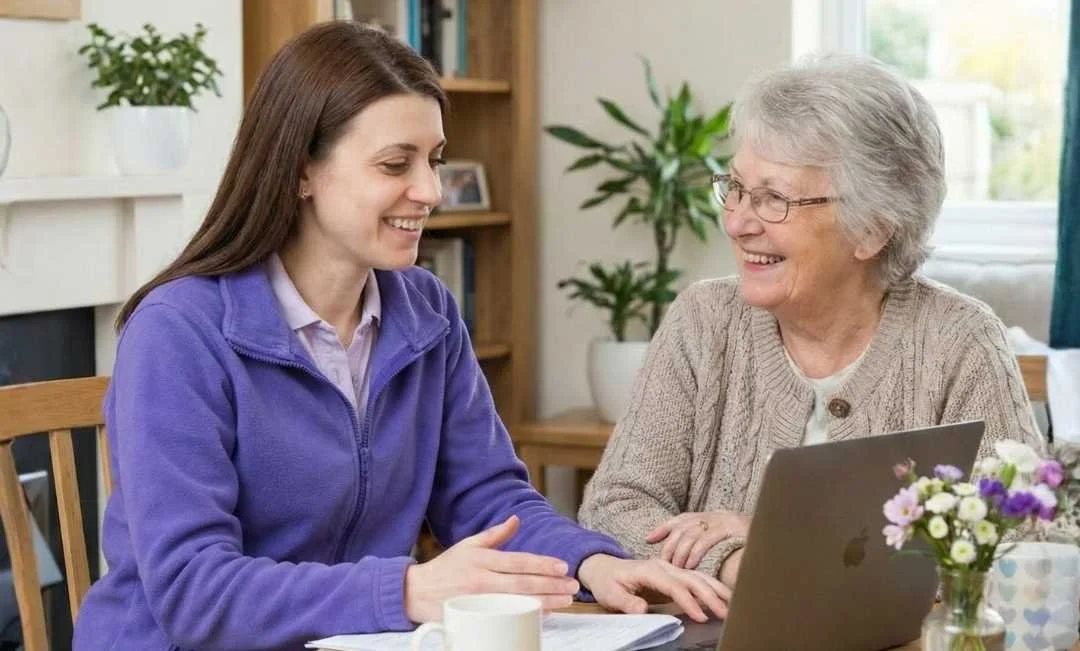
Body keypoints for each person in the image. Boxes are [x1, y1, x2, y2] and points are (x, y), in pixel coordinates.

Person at [73, 22, 730, 651]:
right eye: (395, 164)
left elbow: (487, 498)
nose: (431, 190)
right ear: (301, 169)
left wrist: (593, 562)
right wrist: (408, 588)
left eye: (435, 160)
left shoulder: (426, 312)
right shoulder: (178, 333)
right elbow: (194, 589)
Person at [578, 54, 1045, 590]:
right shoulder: (703, 321)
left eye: (773, 198)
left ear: (871, 228)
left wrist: (780, 541)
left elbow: (1022, 543)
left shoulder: (959, 340)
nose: (736, 221)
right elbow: (615, 508)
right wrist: (734, 562)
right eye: (733, 187)